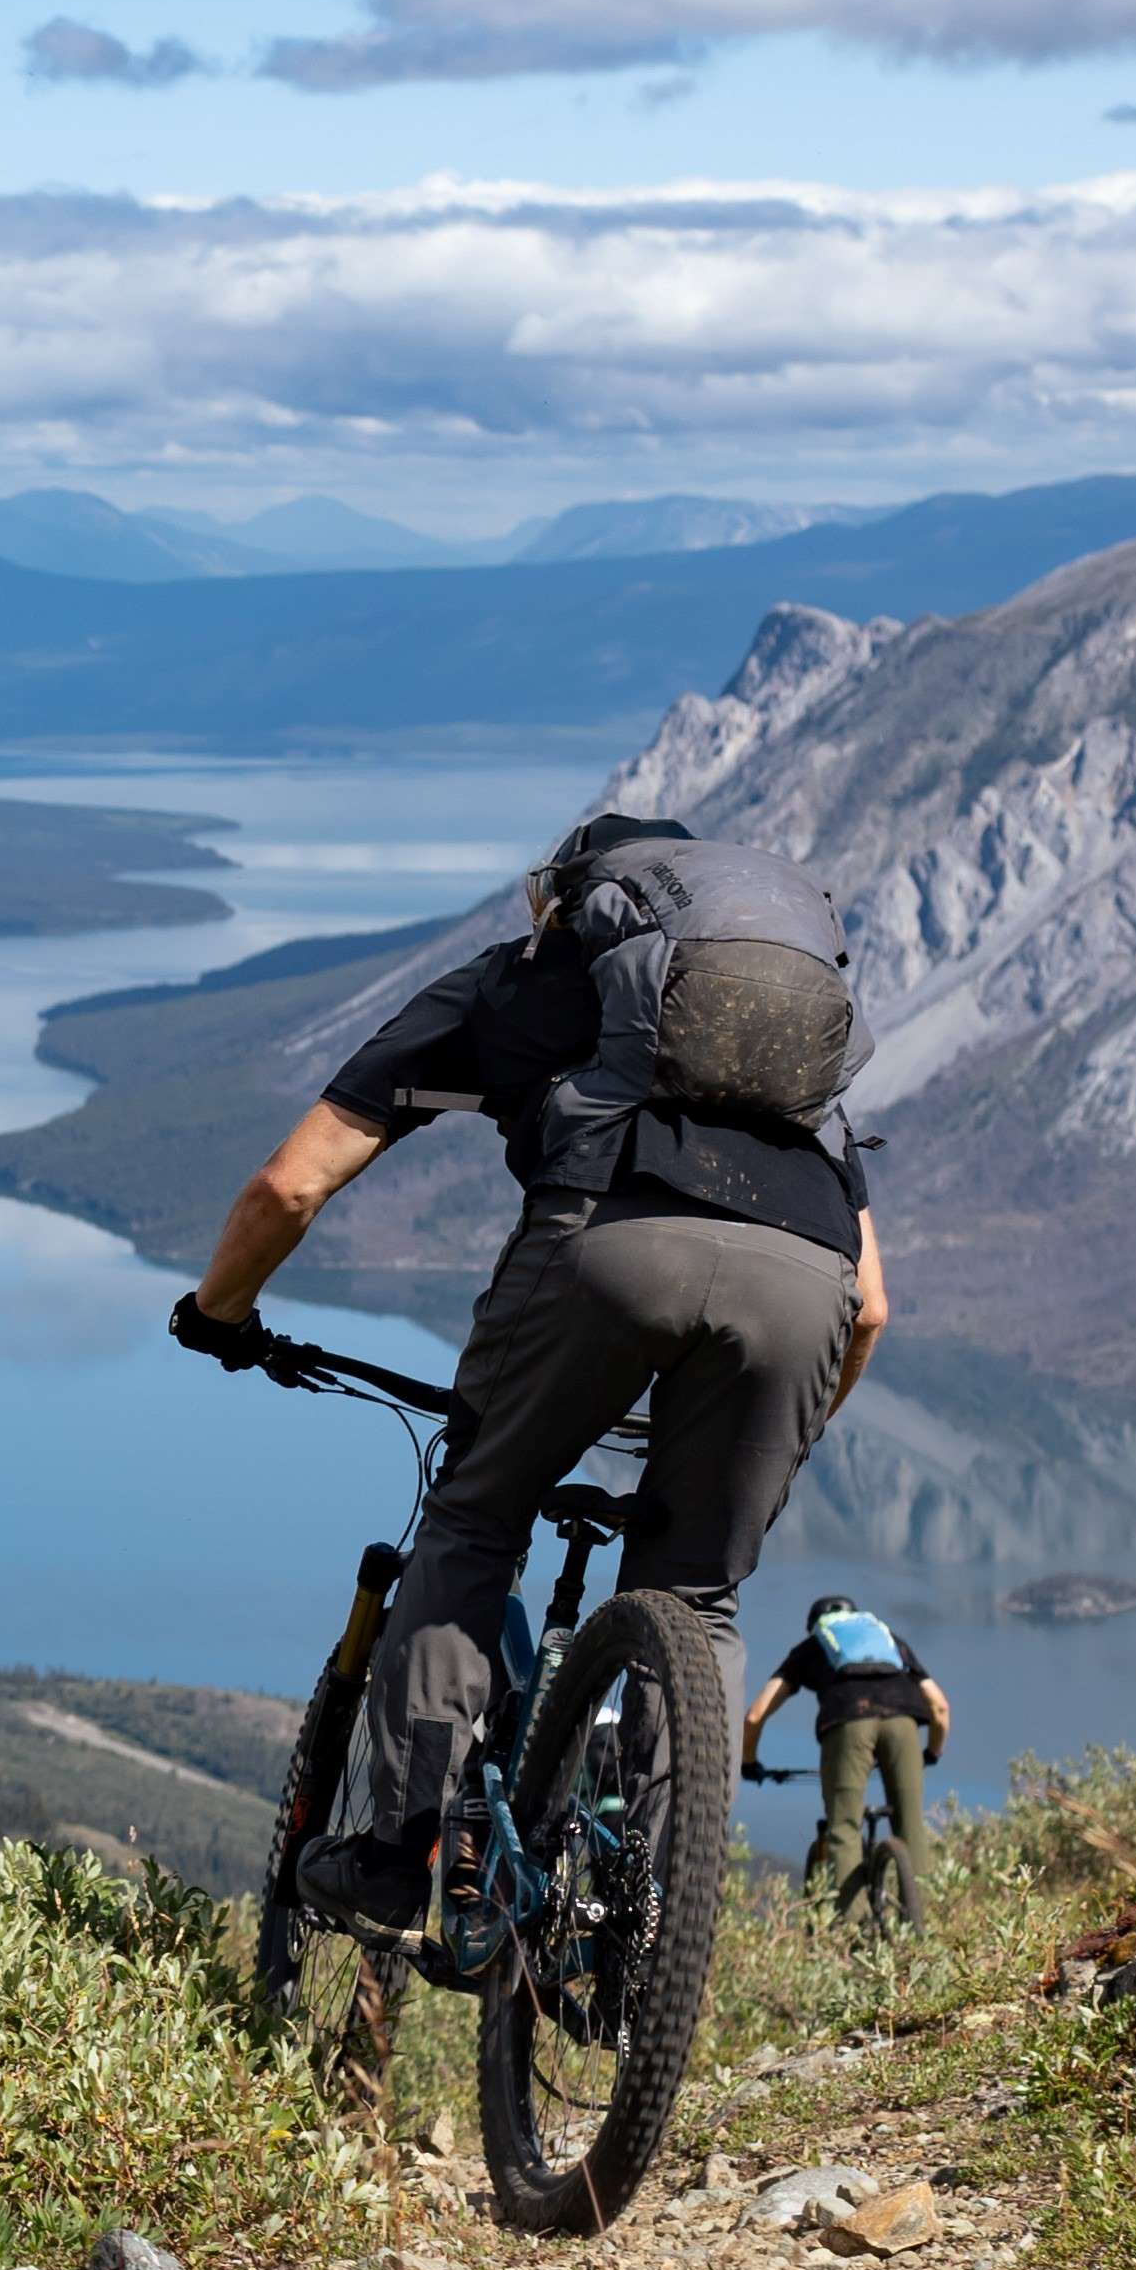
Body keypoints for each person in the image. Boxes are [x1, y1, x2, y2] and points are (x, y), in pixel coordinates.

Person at [171, 811, 890, 1933]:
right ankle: (646, 1917)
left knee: (477, 1518)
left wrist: (220, 1314)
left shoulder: (515, 983)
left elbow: (291, 1187)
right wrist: (764, 1435)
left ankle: (399, 1857)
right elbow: (873, 1308)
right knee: (695, 1591)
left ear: (566, 901)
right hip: (806, 1287)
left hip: (605, 1250)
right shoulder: (794, 1073)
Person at [745, 1594, 948, 1927]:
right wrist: (932, 1753)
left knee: (844, 1827)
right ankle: (927, 1926)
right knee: (910, 1822)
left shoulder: (811, 1647)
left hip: (848, 1721)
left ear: (817, 1626)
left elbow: (755, 1716)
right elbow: (939, 1707)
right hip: (904, 1723)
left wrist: (749, 1763)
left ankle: (854, 1935)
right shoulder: (891, 1642)